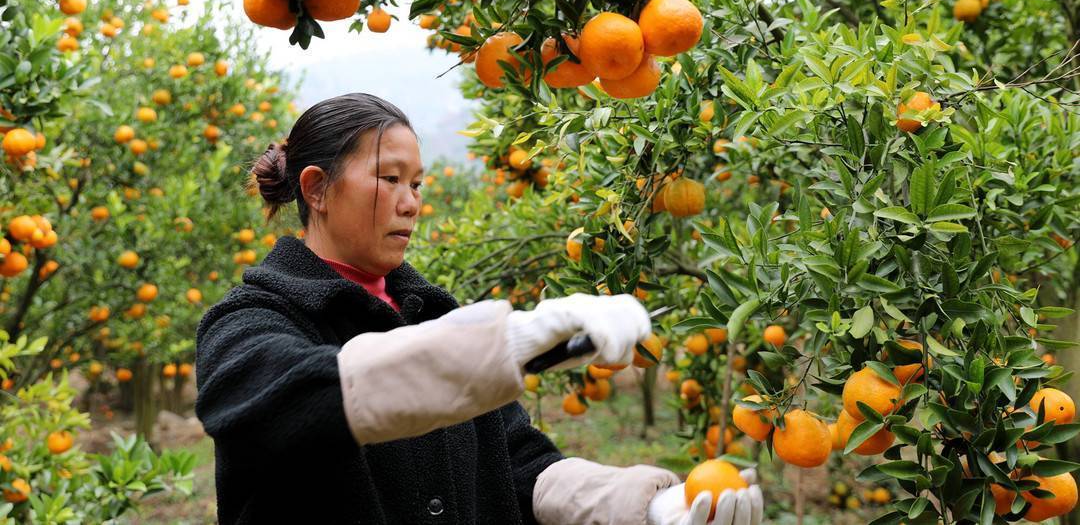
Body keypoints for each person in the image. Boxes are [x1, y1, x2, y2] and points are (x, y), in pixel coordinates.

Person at [194, 93, 763, 524]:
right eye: (389, 179)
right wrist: (504, 344)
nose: (411, 203)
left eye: (416, 183)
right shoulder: (250, 321)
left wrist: (644, 508)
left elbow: (520, 464)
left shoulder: (431, 315)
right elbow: (293, 400)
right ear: (316, 189)